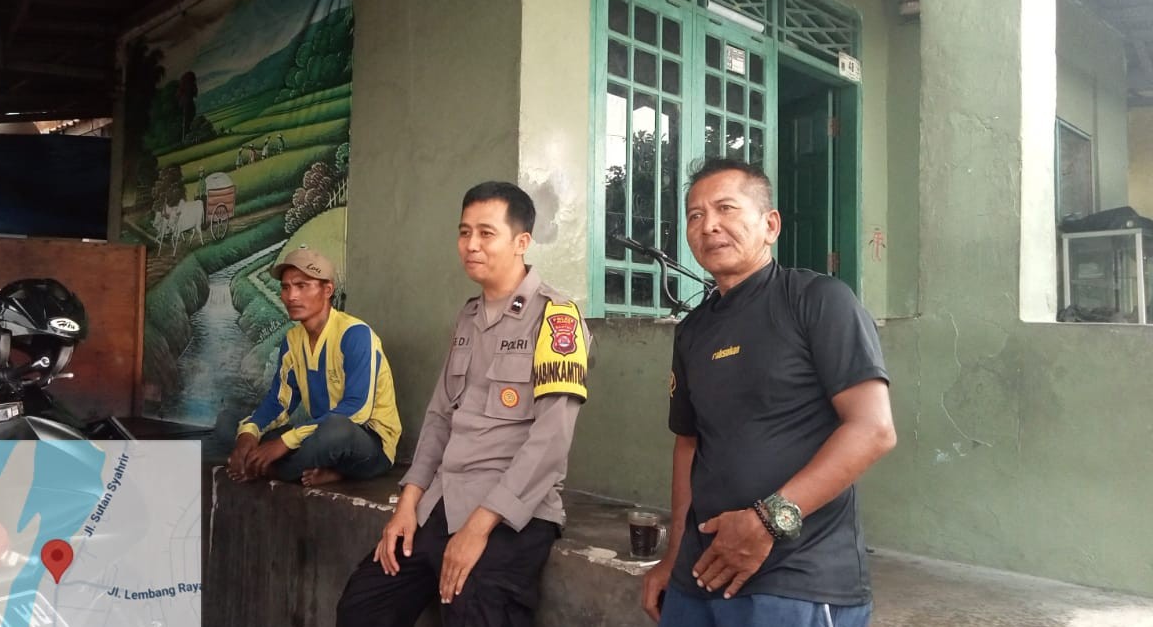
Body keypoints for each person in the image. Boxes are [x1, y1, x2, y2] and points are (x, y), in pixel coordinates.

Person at [641, 158, 896, 627]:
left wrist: (766, 521)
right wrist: (673, 557)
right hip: (698, 576)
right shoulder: (693, 331)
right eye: (695, 215)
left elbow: (873, 429)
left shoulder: (817, 300)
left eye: (726, 208)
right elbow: (689, 445)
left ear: (770, 225)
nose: (708, 225)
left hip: (797, 579)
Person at [335, 181, 591, 627]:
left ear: (521, 242)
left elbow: (551, 442)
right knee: (363, 606)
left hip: (511, 514)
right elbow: (439, 417)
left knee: (474, 609)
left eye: (486, 233)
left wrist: (478, 527)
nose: (471, 244)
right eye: (464, 232)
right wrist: (407, 504)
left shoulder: (557, 319)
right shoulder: (468, 318)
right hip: (443, 500)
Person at [226, 248, 401, 487]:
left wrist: (286, 442)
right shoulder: (292, 341)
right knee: (244, 431)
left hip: (368, 444)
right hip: (319, 436)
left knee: (336, 431)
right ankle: (315, 470)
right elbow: (278, 403)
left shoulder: (355, 335)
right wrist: (248, 434)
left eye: (302, 286)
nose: (291, 296)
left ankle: (272, 471)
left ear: (327, 290)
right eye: (286, 287)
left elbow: (356, 411)